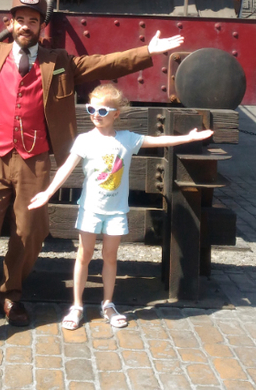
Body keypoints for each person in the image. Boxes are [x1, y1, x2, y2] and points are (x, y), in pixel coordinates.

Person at [0, 0, 185, 349]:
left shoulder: (58, 61)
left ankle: (10, 295)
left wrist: (147, 52)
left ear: (40, 26)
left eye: (33, 20)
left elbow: (103, 64)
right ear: (10, 23)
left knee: (31, 232)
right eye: (20, 19)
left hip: (33, 160)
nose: (26, 26)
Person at [28, 83, 213, 330]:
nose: (96, 115)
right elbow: (65, 169)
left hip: (116, 211)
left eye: (103, 111)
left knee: (110, 257)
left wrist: (187, 138)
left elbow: (156, 140)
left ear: (116, 114)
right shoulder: (84, 140)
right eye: (91, 109)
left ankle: (108, 304)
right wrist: (48, 192)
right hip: (90, 209)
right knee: (83, 256)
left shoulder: (127, 139)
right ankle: (77, 305)